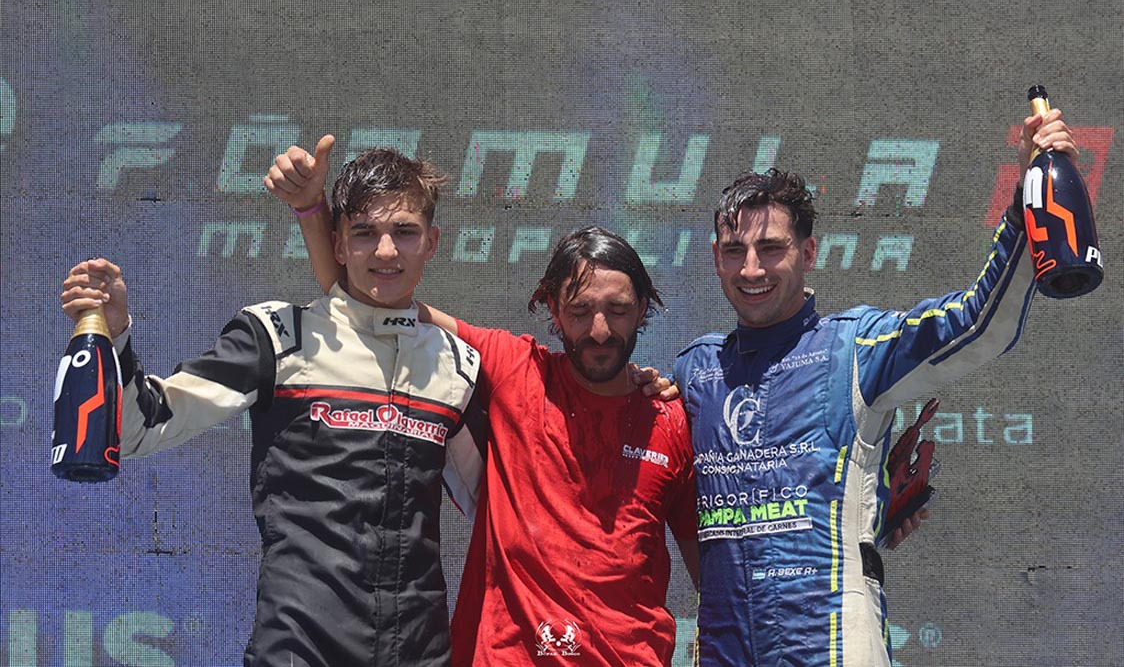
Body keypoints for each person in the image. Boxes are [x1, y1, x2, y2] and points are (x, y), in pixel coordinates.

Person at [673, 108, 1079, 667]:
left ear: (808, 253)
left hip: (833, 646)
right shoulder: (695, 371)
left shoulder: (855, 348)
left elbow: (980, 324)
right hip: (724, 651)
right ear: (715, 260)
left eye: (771, 248)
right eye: (733, 251)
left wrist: (1028, 199)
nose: (751, 269)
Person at [267, 141, 698, 667]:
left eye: (619, 309)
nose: (600, 330)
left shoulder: (671, 418)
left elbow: (712, 571)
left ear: (643, 309)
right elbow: (365, 299)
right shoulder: (515, 369)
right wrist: (311, 210)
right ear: (553, 311)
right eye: (580, 310)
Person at [61, 148, 482, 667]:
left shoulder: (458, 365)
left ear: (432, 243)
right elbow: (136, 429)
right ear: (338, 243)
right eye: (365, 232)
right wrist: (114, 333)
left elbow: (500, 511)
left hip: (420, 653)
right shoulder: (277, 338)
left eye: (405, 231)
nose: (386, 250)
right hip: (298, 651)